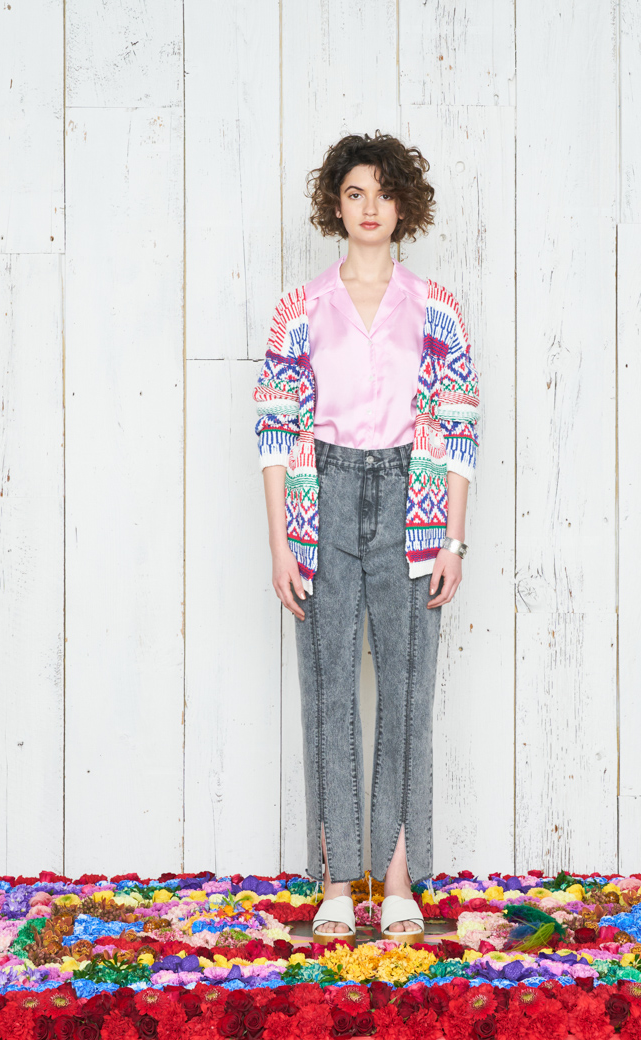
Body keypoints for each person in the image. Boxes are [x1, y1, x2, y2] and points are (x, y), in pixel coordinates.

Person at [252, 131, 480, 945]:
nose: (370, 206)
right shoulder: (300, 308)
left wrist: (453, 540)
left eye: (383, 192)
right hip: (323, 495)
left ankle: (397, 877)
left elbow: (459, 423)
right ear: (336, 205)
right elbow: (275, 430)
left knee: (408, 695)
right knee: (329, 693)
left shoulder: (438, 306)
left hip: (414, 498)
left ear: (403, 203)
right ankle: (338, 881)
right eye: (355, 193)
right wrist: (281, 544)